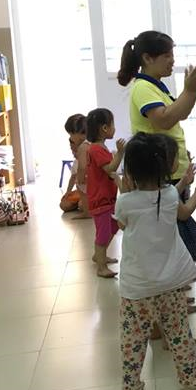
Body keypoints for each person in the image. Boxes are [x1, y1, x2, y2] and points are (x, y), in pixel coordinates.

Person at [115, 133, 196, 390]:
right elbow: (181, 210)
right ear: (164, 166)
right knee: (179, 334)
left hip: (137, 288)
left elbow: (122, 224)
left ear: (131, 171)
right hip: (170, 283)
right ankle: (191, 380)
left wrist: (125, 189)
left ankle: (131, 389)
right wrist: (195, 190)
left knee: (133, 342)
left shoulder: (125, 202)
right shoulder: (169, 195)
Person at [118, 30, 196, 260]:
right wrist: (189, 90)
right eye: (167, 56)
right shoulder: (143, 87)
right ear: (147, 58)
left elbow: (181, 113)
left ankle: (177, 273)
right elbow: (164, 120)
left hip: (171, 168)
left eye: (172, 55)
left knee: (178, 233)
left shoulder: (157, 86)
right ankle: (174, 275)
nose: (172, 61)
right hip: (159, 171)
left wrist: (192, 90)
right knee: (172, 235)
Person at [85, 108, 125, 278]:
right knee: (103, 234)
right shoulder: (96, 149)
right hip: (101, 200)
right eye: (112, 124)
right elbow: (110, 169)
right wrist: (120, 153)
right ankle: (101, 267)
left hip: (107, 199)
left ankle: (99, 255)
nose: (114, 128)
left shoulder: (99, 148)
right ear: (104, 128)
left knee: (113, 227)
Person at [62, 113, 88, 215]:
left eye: (71, 134)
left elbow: (82, 167)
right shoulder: (77, 158)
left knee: (82, 205)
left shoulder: (86, 147)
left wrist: (80, 178)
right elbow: (73, 177)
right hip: (82, 191)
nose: (71, 138)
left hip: (92, 191)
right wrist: (68, 192)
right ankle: (81, 204)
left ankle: (85, 207)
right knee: (64, 204)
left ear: (80, 133)